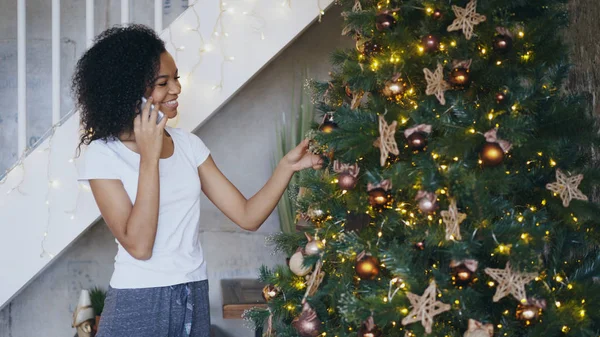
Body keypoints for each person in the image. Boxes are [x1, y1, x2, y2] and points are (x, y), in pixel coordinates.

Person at [73, 24, 322, 337]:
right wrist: (149, 157)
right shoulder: (104, 154)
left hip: (194, 291)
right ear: (129, 91)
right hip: (139, 300)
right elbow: (139, 245)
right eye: (163, 83)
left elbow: (248, 216)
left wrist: (286, 167)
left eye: (176, 77)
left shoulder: (188, 146)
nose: (176, 89)